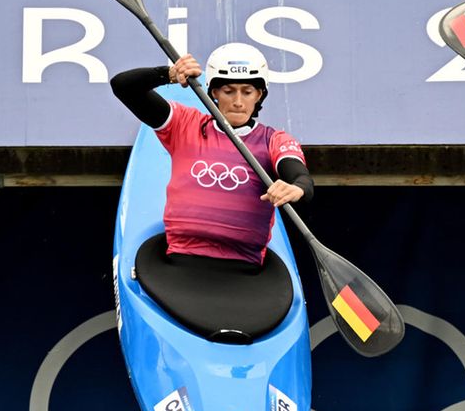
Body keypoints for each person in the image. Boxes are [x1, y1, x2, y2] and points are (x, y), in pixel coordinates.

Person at [110, 42, 313, 266]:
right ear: (214, 92)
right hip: (182, 258)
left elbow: (301, 178)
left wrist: (295, 188)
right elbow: (122, 86)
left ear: (259, 95)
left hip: (245, 265)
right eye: (228, 91)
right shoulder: (183, 124)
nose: (238, 101)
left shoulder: (274, 140)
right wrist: (168, 74)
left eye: (247, 92)